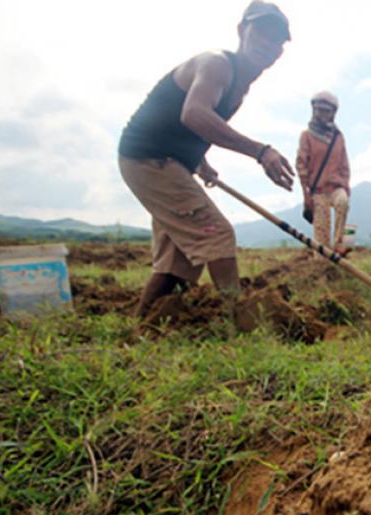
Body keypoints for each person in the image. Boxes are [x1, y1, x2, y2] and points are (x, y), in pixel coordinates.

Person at [118, 1, 294, 317]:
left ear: (280, 53)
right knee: (218, 235)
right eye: (261, 33)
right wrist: (261, 151)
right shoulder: (217, 65)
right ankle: (239, 320)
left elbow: (195, 126)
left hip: (170, 162)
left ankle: (147, 323)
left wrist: (200, 162)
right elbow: (194, 114)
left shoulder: (239, 87)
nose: (267, 44)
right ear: (242, 31)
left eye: (275, 40)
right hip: (151, 158)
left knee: (179, 260)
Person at [295, 91, 351, 255]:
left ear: (333, 113)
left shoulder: (339, 137)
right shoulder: (306, 136)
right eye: (317, 110)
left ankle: (344, 246)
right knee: (322, 240)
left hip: (336, 186)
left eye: (325, 111)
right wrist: (306, 196)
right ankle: (323, 264)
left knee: (343, 203)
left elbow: (344, 164)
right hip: (317, 191)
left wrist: (346, 186)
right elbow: (301, 166)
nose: (320, 114)